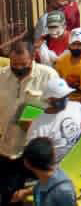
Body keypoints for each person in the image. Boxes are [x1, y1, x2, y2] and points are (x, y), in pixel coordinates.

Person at [1, 39, 59, 202]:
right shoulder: (1, 76)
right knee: (9, 196)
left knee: (41, 195)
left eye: (23, 64)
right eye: (14, 64)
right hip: (7, 148)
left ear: (33, 57)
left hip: (36, 149)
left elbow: (59, 107)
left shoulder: (49, 75)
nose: (18, 68)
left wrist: (35, 120)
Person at [27, 78, 81, 162]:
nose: (64, 98)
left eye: (66, 94)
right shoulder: (38, 126)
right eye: (60, 96)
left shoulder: (77, 106)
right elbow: (35, 155)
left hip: (78, 160)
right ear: (49, 99)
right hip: (57, 168)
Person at [19, 138, 77, 206]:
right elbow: (42, 185)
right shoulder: (44, 177)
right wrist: (26, 192)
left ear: (27, 164)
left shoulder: (64, 192)